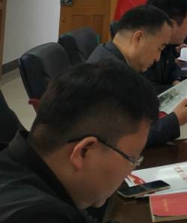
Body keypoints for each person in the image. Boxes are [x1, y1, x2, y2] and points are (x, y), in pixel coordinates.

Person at [0, 61, 158, 223]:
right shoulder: (34, 216)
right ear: (84, 152)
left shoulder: (31, 167)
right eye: (132, 159)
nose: (130, 171)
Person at [87, 5, 187, 146]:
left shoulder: (110, 54)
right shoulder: (110, 74)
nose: (157, 58)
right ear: (138, 38)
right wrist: (176, 120)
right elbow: (127, 137)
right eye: (159, 48)